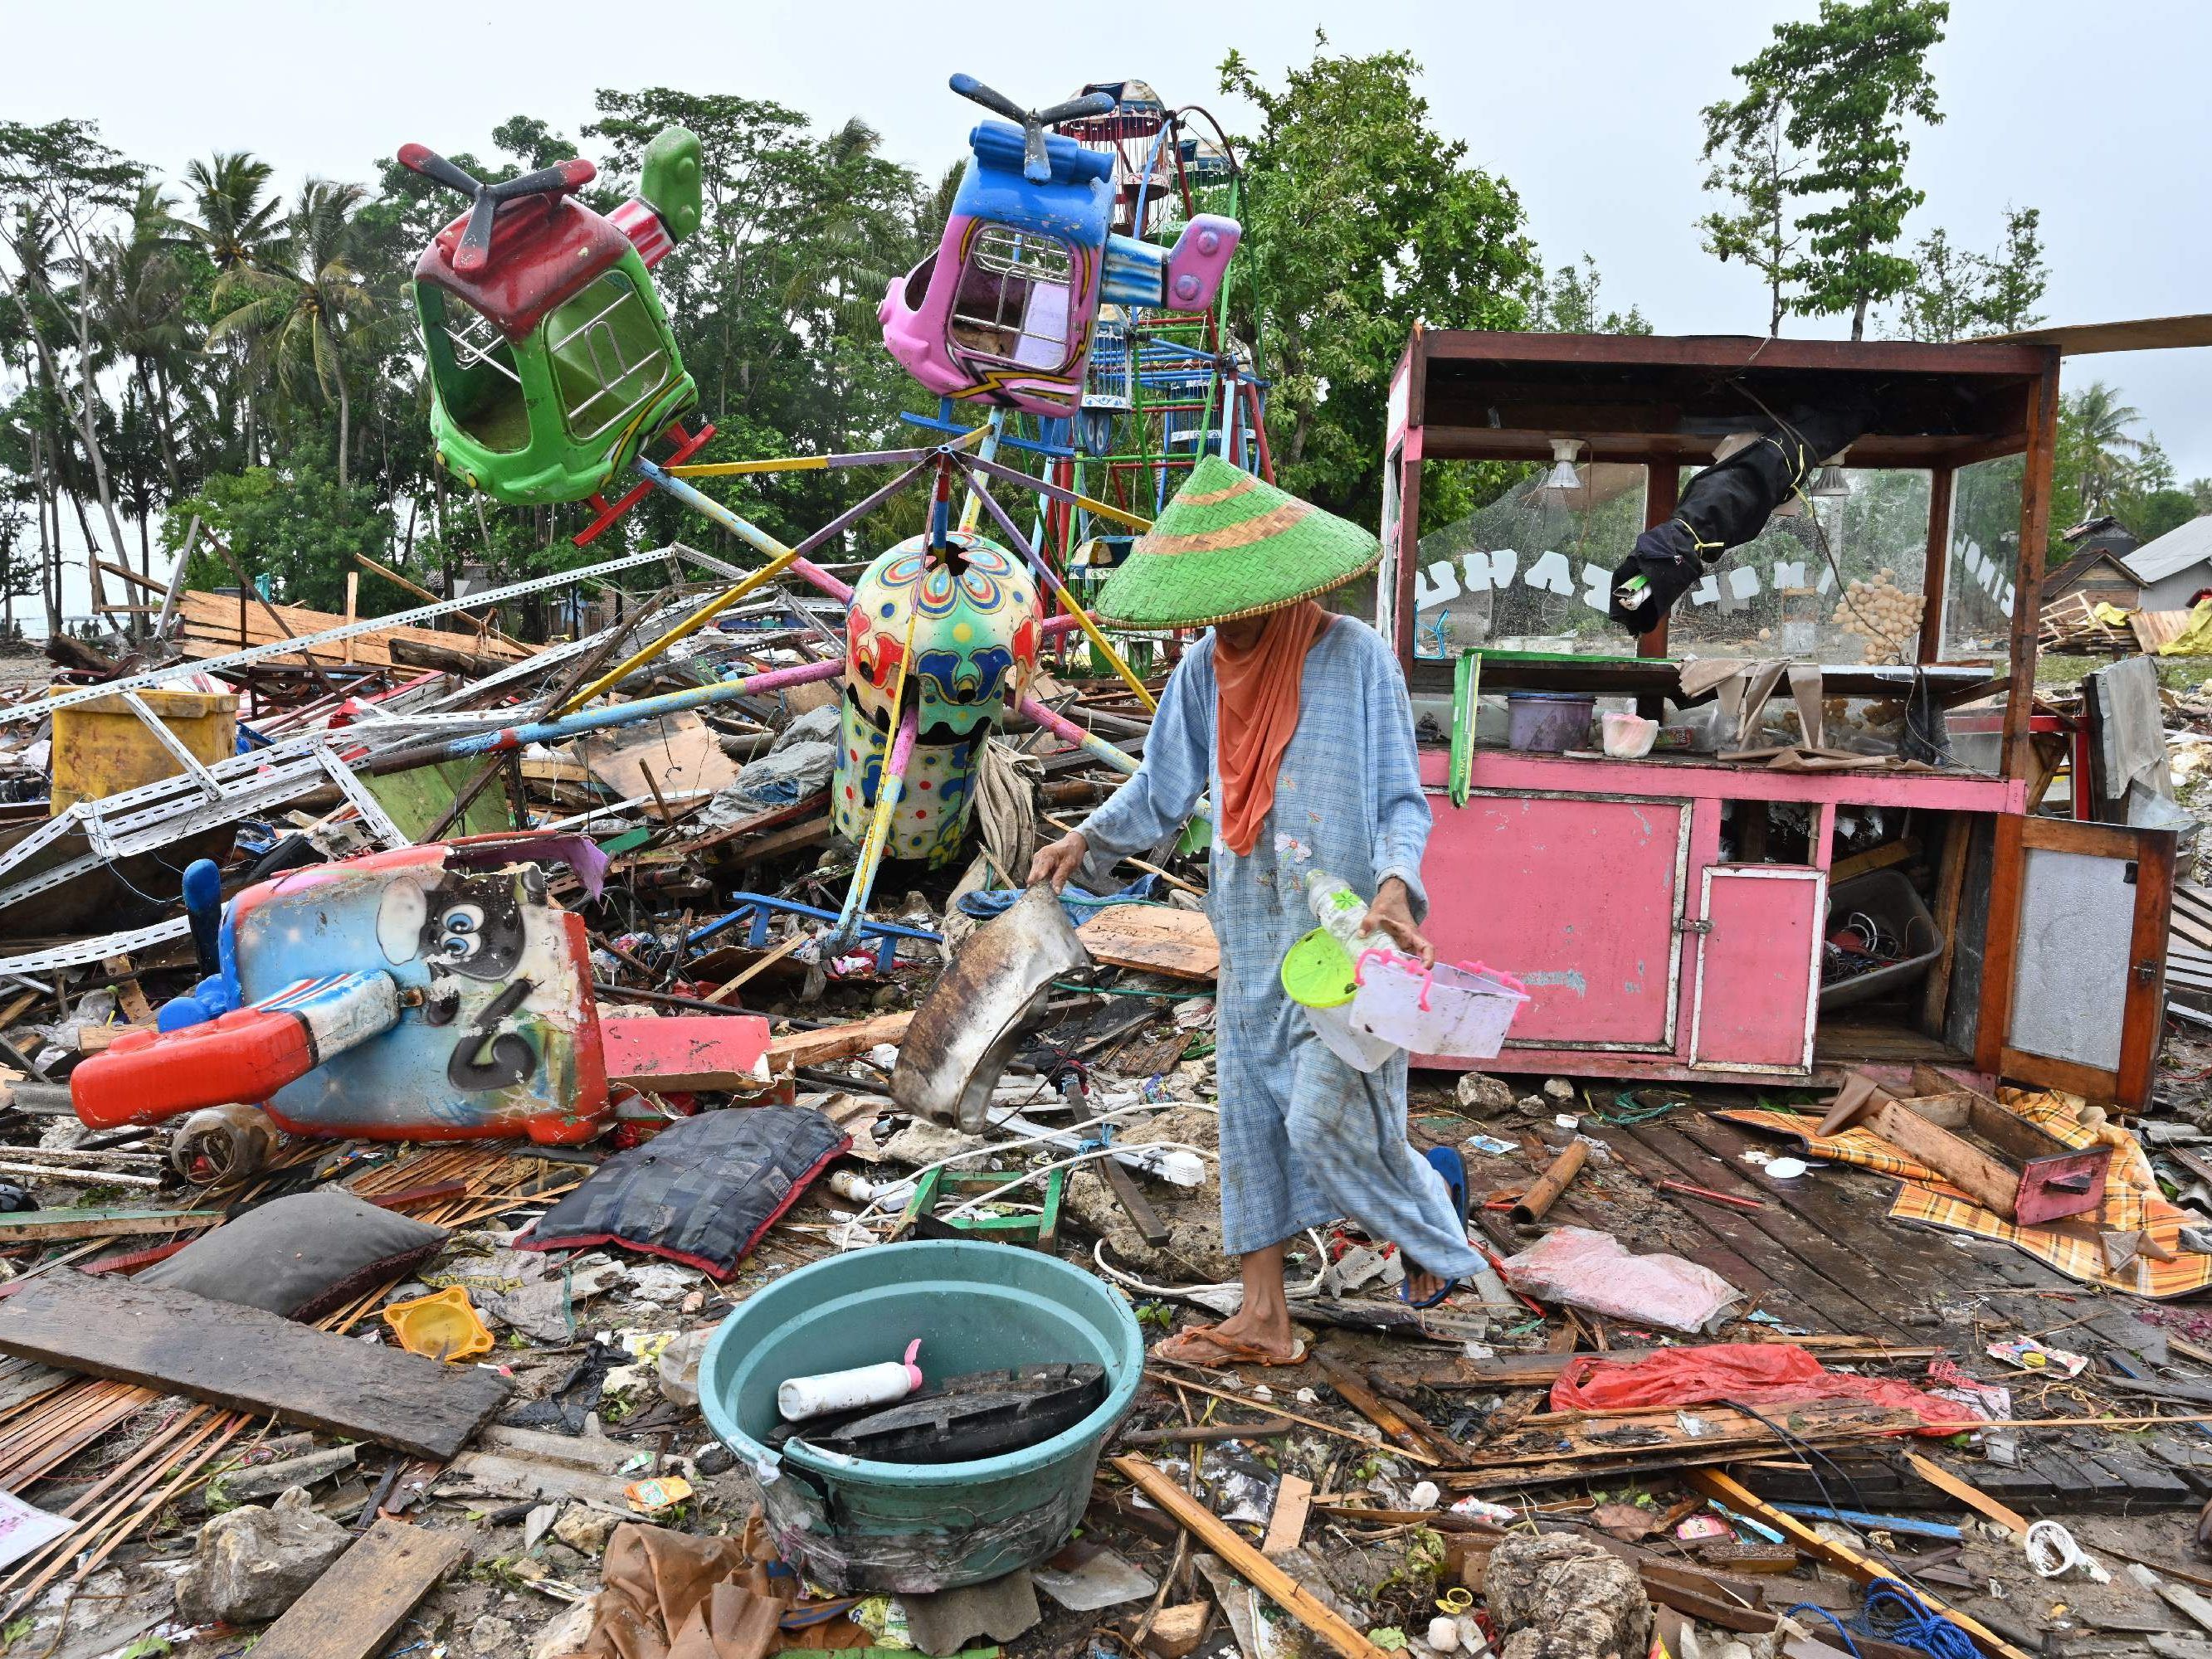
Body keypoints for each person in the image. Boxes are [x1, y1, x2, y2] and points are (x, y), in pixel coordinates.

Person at [1029, 457, 1488, 1366]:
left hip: (1341, 938)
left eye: (1234, 607)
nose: (1222, 625)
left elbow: (1400, 797)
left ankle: (1440, 1231)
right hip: (1245, 924)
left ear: (1277, 588)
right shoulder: (1204, 668)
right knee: (1246, 1120)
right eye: (1208, 611)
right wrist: (1085, 841)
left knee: (1323, 1118)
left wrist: (1396, 883)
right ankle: (1264, 1317)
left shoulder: (1354, 658)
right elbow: (1163, 788)